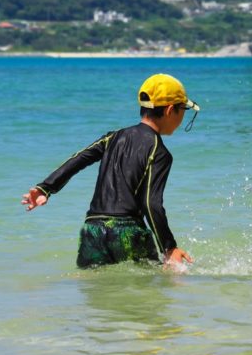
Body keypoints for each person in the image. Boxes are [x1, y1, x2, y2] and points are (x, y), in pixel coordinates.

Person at [21, 73, 199, 270]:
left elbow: (78, 159)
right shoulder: (159, 151)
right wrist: (169, 246)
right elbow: (151, 203)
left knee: (94, 289)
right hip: (128, 230)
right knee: (157, 284)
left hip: (93, 228)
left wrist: (45, 188)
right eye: (183, 109)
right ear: (170, 110)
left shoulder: (113, 137)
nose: (183, 116)